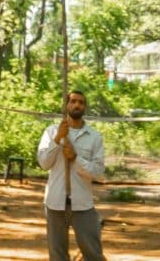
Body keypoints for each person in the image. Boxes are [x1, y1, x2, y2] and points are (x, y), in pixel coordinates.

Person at [36, 90, 106, 261]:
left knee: (93, 253)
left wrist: (75, 159)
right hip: (55, 203)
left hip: (82, 204)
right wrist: (58, 138)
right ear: (66, 105)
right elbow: (44, 163)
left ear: (85, 107)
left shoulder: (94, 137)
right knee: (57, 255)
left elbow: (97, 172)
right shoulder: (51, 132)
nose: (77, 105)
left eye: (81, 102)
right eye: (73, 101)